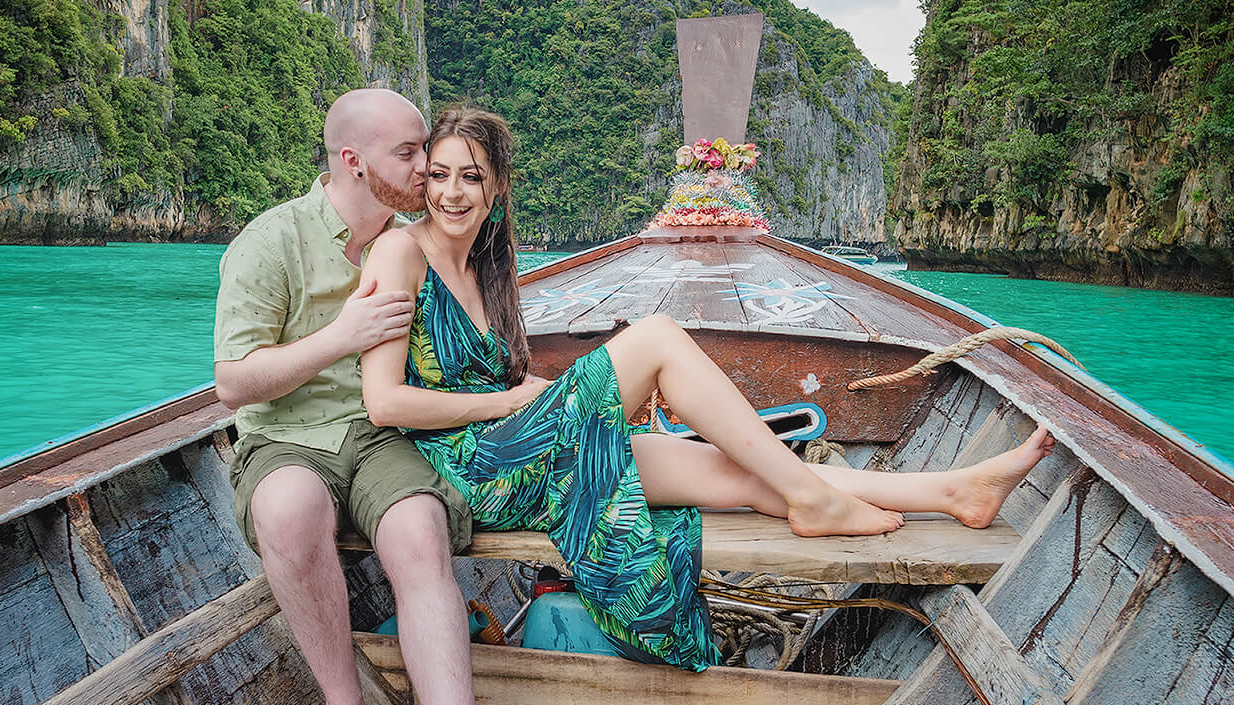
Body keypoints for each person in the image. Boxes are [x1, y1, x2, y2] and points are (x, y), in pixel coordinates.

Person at [356, 106, 1055, 668]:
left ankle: (952, 493)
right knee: (657, 338)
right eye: (440, 175)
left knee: (739, 475)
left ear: (495, 187)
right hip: (471, 469)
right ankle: (813, 497)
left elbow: (497, 378)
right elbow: (384, 402)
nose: (452, 192)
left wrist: (542, 393)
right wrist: (511, 402)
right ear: (423, 184)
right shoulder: (400, 253)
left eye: (470, 177)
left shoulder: (485, 268)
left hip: (519, 447)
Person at [211, 88, 507, 705]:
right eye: (410, 155)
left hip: (382, 437)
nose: (426, 167)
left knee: (418, 533)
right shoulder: (270, 242)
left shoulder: (417, 240)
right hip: (286, 437)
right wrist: (337, 337)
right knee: (289, 507)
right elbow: (232, 384)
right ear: (354, 163)